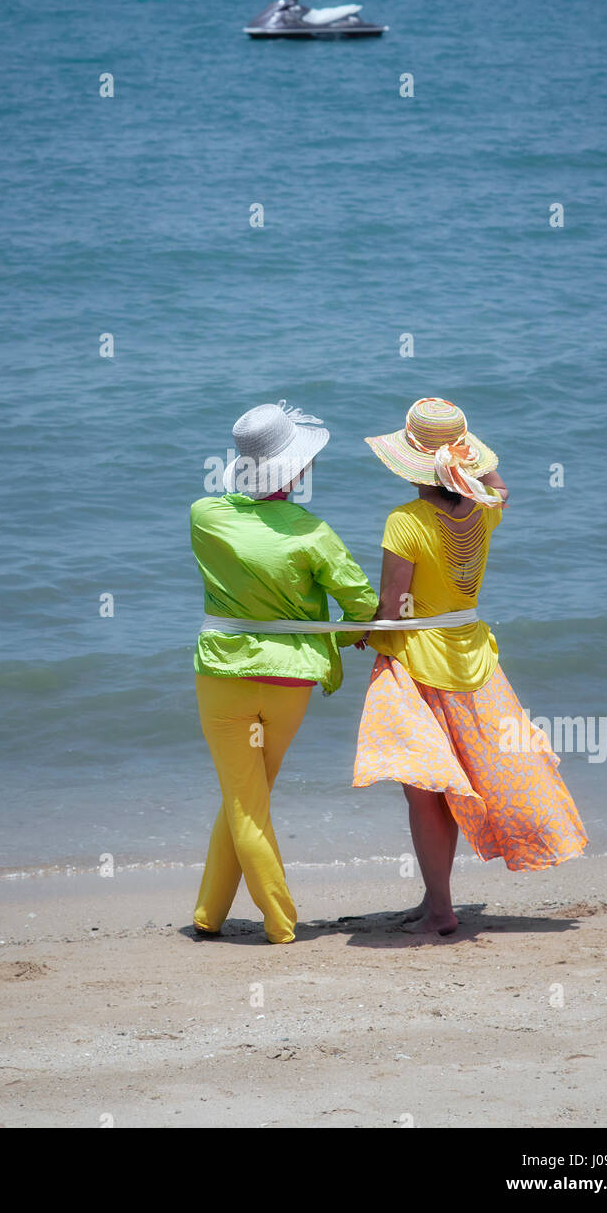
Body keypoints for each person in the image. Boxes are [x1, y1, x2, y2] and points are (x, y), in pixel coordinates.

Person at [353, 396, 587, 935]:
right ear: (466, 460)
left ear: (410, 463)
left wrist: (363, 634)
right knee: (453, 784)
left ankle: (439, 910)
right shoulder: (484, 508)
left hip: (417, 664)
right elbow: (502, 488)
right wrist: (472, 465)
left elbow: (392, 609)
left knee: (426, 790)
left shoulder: (405, 521)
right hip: (474, 659)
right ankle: (435, 899)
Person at [191, 401, 377, 944]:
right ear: (292, 471)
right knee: (248, 797)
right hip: (289, 684)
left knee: (243, 798)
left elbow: (236, 510)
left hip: (222, 676)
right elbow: (361, 603)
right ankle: (243, 917)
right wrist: (349, 636)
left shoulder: (204, 517)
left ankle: (244, 919)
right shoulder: (312, 532)